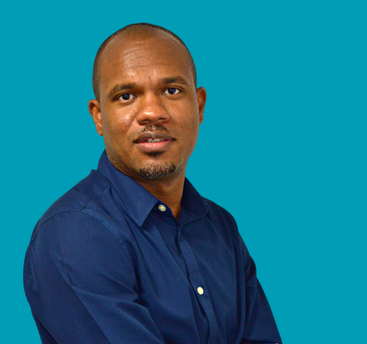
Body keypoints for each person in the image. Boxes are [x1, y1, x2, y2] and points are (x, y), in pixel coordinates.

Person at [23, 23, 282, 344]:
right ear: (99, 116)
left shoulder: (221, 227)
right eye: (126, 95)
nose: (151, 112)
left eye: (171, 90)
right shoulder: (74, 234)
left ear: (199, 106)